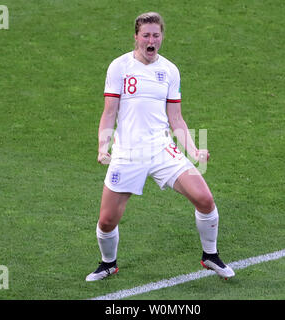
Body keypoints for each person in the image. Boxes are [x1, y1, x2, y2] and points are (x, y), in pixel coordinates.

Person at [86, 12, 235, 281]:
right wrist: (103, 146)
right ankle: (108, 263)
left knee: (204, 198)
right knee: (107, 221)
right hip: (128, 152)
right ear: (136, 37)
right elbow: (109, 112)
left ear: (162, 37)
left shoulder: (169, 71)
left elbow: (175, 118)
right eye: (146, 35)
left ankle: (210, 255)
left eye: (156, 35)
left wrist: (194, 151)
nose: (151, 40)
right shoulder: (119, 67)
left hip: (161, 148)